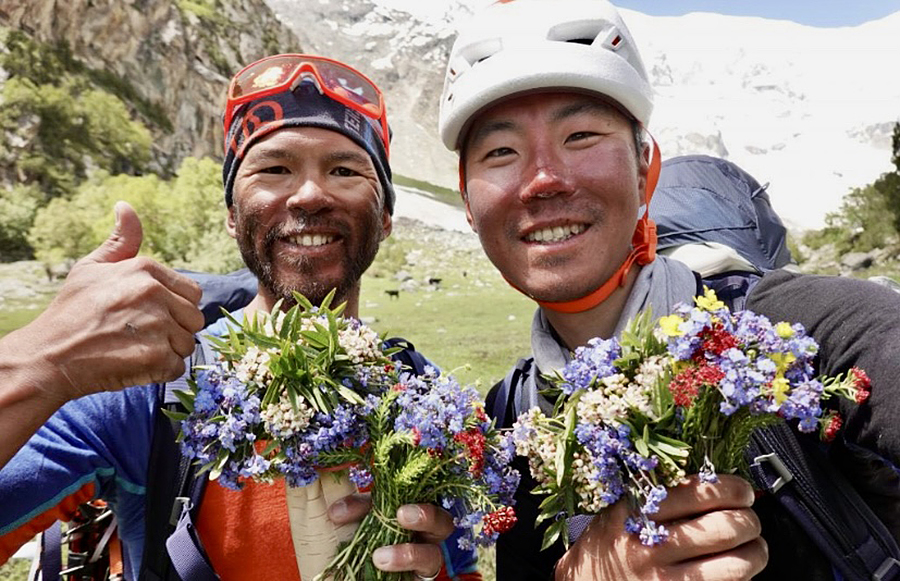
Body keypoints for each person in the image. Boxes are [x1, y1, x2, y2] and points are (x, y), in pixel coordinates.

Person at [437, 1, 900, 580]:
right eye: (501, 152)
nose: (543, 180)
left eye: (581, 135)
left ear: (644, 169)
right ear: (467, 202)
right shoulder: (511, 418)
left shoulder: (814, 332)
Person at [0, 54, 477, 581]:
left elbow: (460, 566)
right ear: (232, 215)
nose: (310, 194)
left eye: (344, 170)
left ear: (384, 216)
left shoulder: (424, 397)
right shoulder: (152, 387)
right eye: (275, 168)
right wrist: (39, 360)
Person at [0, 201, 204, 470]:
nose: (282, 197)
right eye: (273, 169)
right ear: (231, 216)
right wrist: (48, 361)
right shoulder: (122, 395)